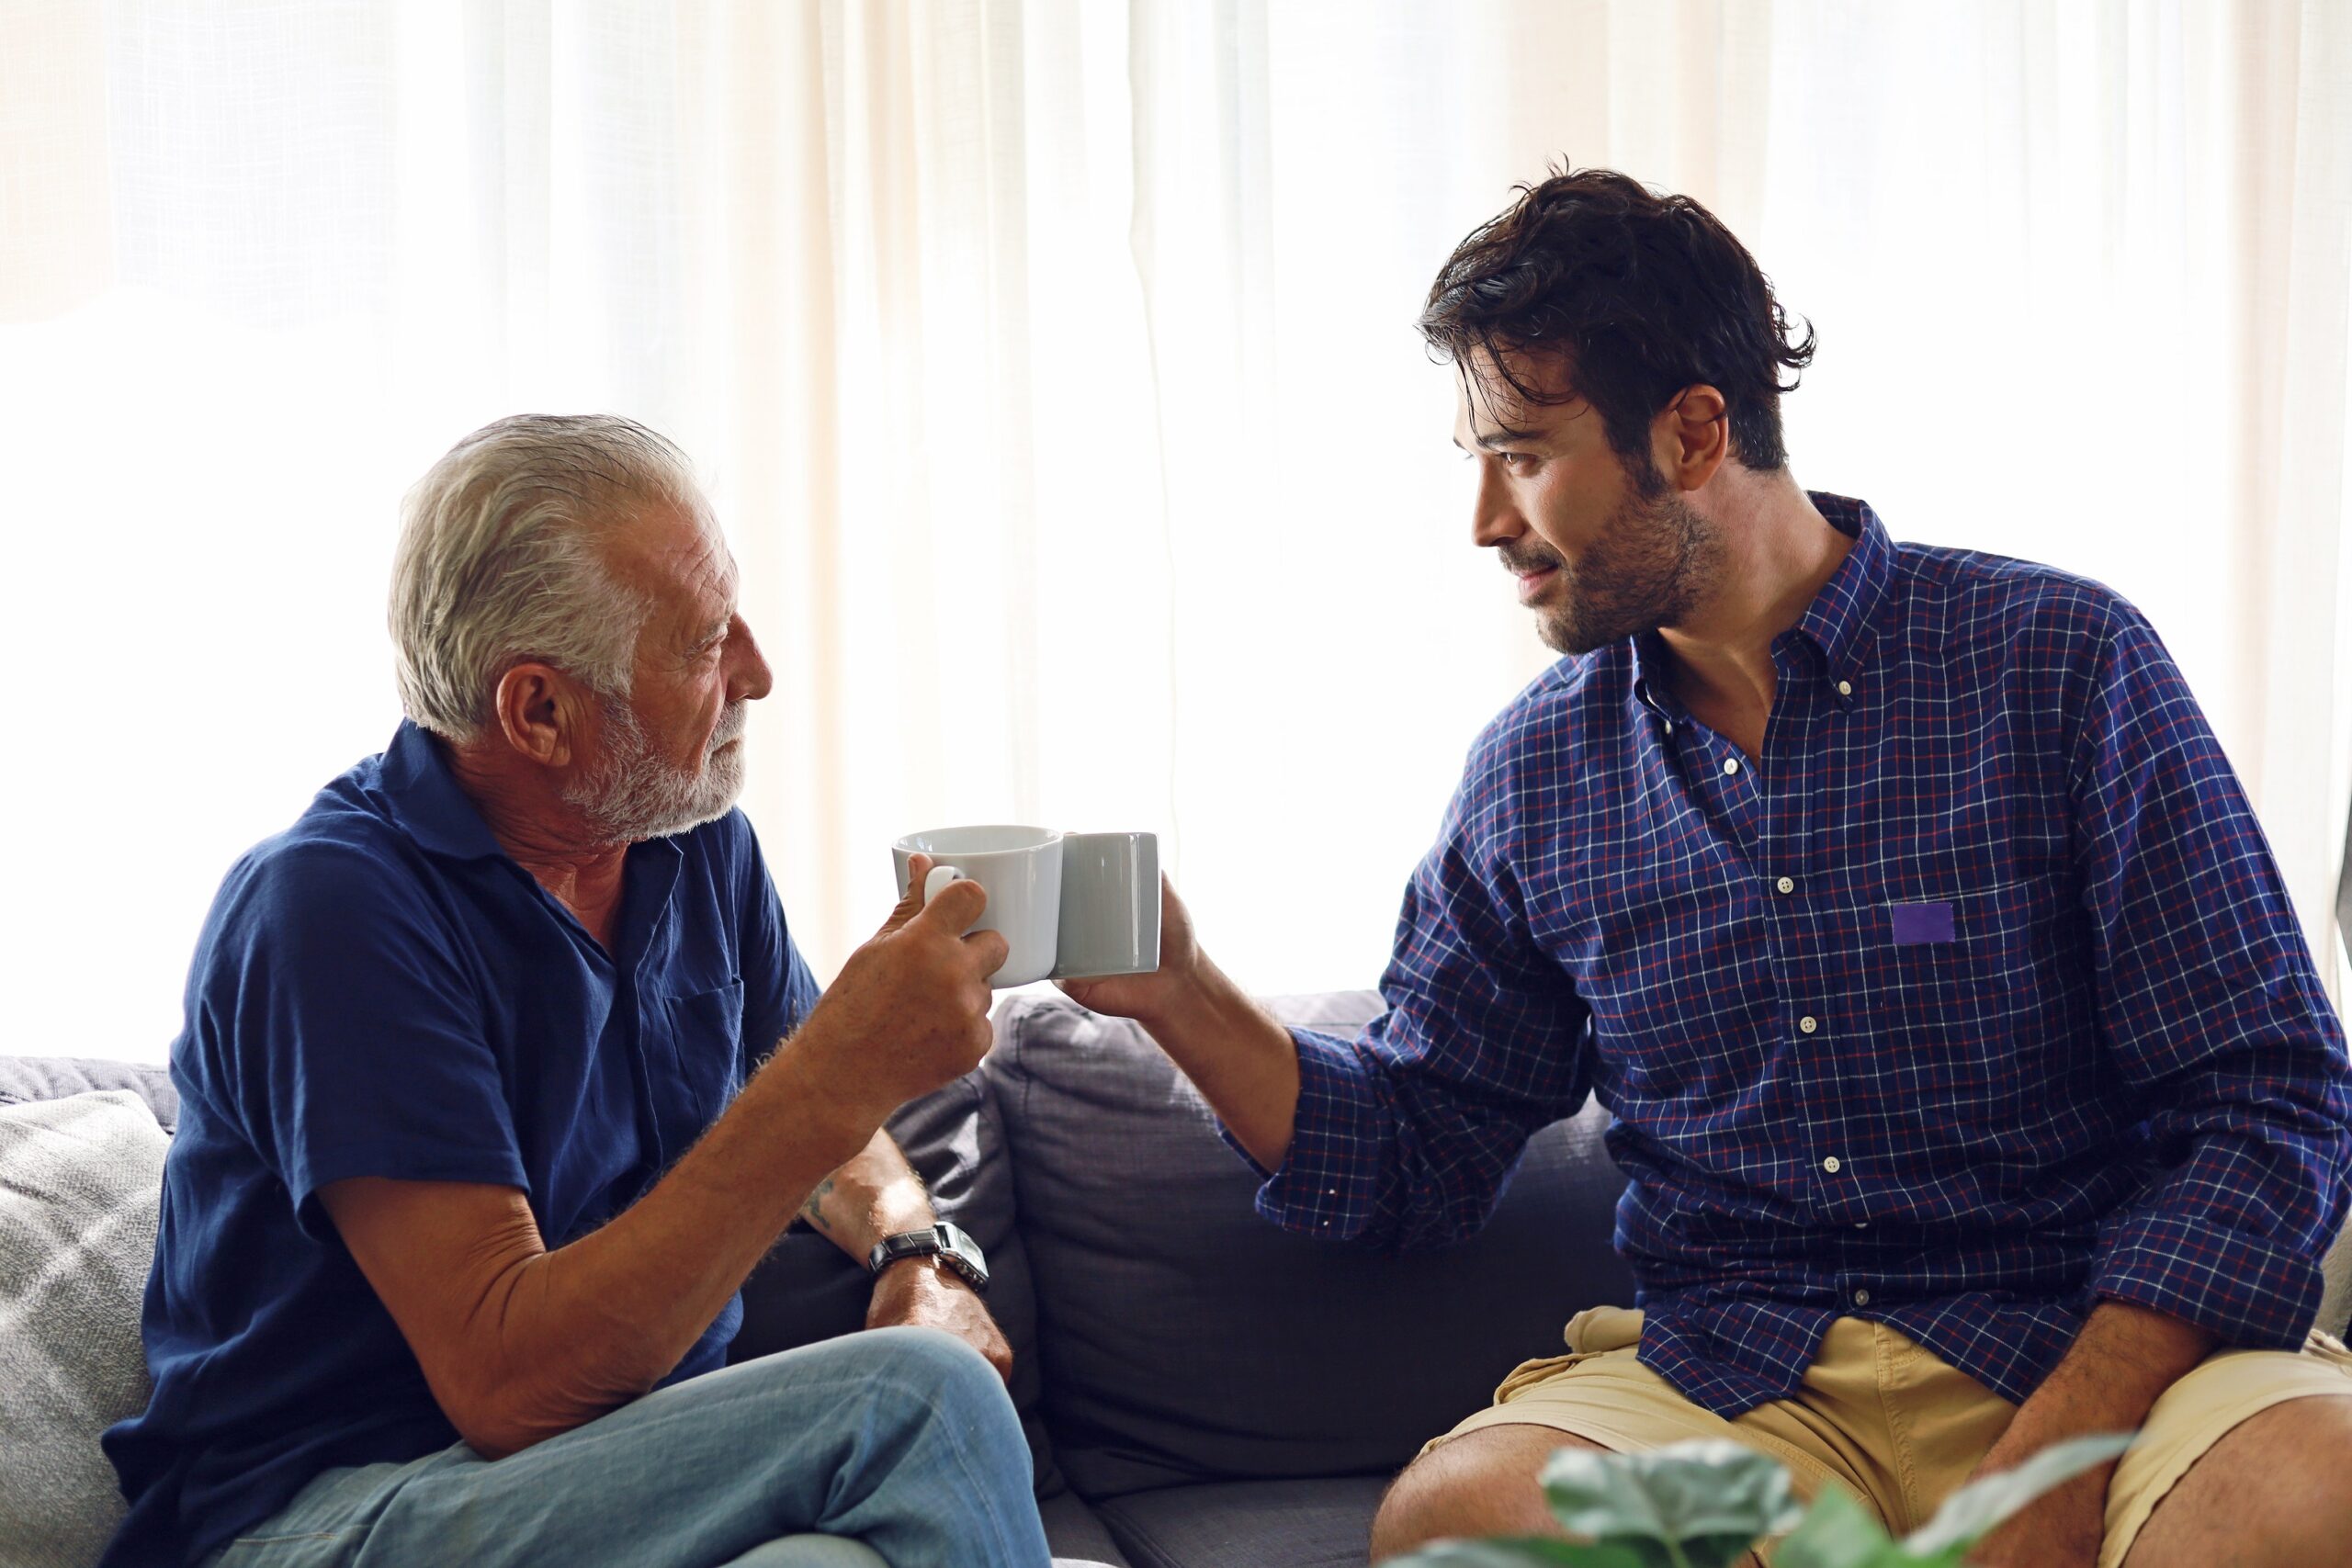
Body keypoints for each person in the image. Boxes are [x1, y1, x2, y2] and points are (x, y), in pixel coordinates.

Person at [1064, 168, 2352, 1567]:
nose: (1488, 522)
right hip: (1744, 1389)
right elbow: (1418, 1154)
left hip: (2096, 1356)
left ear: (1690, 431)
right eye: (1476, 461)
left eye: (1525, 452)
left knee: (2323, 1481)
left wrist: (2055, 1459)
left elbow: (2267, 1099)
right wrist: (1179, 987)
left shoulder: (2061, 664)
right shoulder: (1533, 775)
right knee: (1462, 1522)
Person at [100, 415, 1051, 1568]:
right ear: (539, 711)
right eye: (705, 643)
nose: (757, 669)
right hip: (327, 1509)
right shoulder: (331, 910)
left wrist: (916, 1252)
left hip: (616, 1472)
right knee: (922, 1405)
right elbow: (508, 1384)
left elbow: (820, 1120)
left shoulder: (690, 843)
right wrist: (834, 1076)